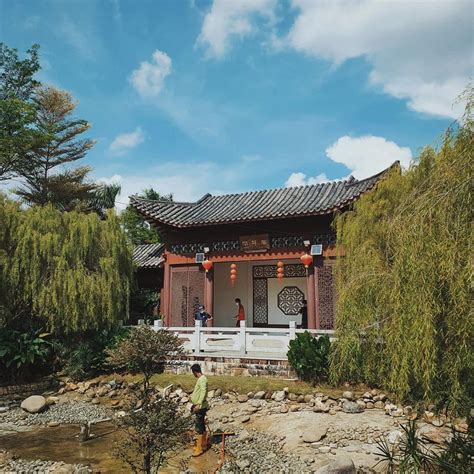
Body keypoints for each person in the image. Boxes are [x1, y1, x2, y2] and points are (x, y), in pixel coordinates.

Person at [190, 363, 209, 456]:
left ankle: (199, 448)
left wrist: (199, 403)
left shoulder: (202, 380)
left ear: (195, 372)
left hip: (200, 406)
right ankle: (203, 444)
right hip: (200, 405)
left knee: (199, 427)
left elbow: (203, 391)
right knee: (201, 424)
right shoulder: (202, 379)